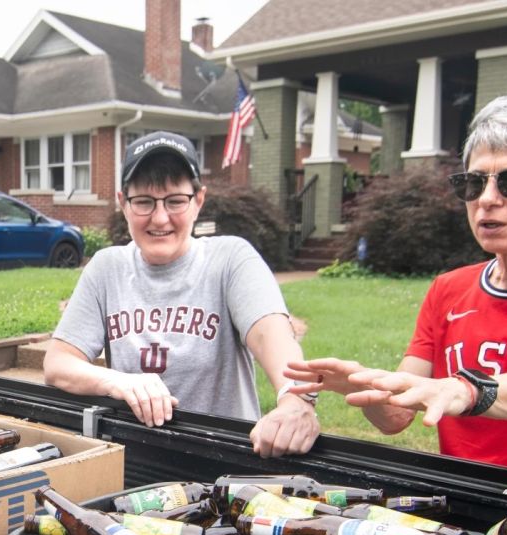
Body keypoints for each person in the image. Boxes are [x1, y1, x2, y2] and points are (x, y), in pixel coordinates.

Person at [286, 91, 507, 484]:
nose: (487, 200)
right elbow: (396, 417)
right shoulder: (449, 290)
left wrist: (467, 390)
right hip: (460, 508)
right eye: (474, 183)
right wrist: (366, 387)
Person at [43, 131, 319, 456]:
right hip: (138, 458)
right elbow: (58, 364)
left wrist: (295, 400)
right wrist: (119, 381)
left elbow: (270, 335)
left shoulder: (230, 259)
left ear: (198, 201)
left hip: (224, 462)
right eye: (144, 201)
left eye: (175, 201)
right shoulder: (107, 268)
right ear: (123, 203)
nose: (160, 218)